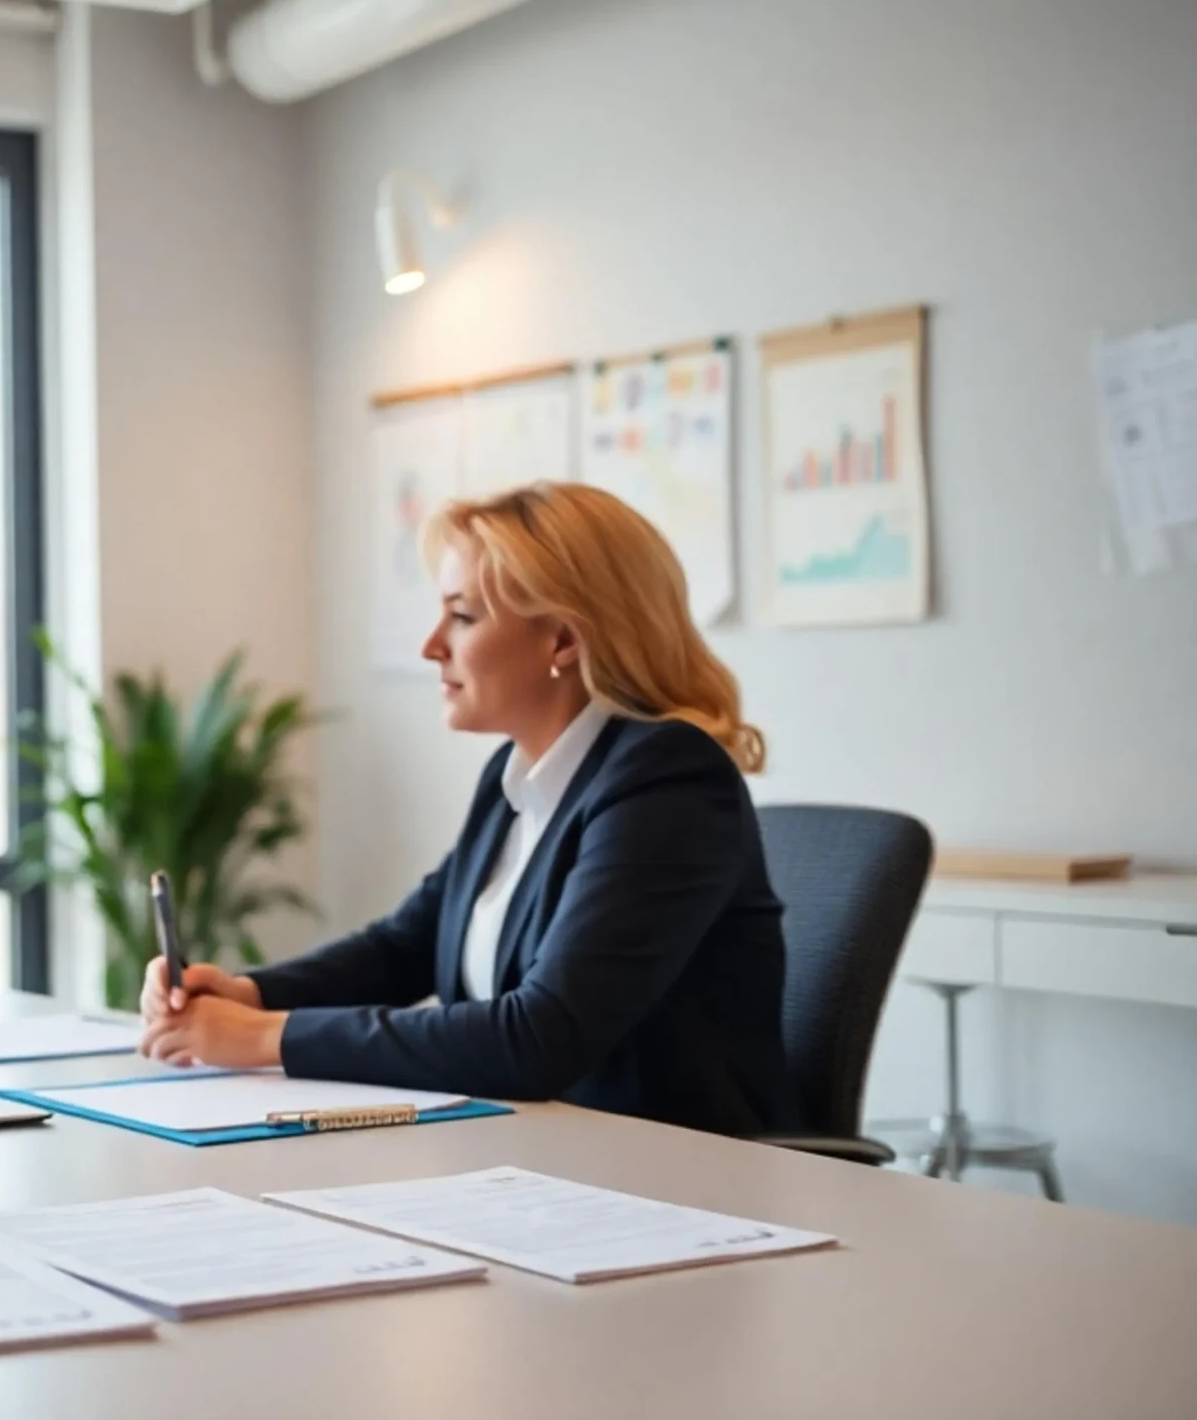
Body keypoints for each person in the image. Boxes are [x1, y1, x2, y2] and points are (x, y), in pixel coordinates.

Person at [138, 481, 795, 1136]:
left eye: (463, 615)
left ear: (562, 638)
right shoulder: (516, 777)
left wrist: (265, 1036)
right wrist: (248, 995)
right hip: (536, 1160)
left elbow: (539, 1037)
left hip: (668, 1182)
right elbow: (405, 946)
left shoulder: (669, 780)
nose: (431, 645)